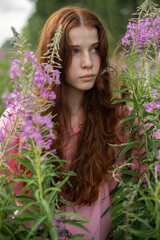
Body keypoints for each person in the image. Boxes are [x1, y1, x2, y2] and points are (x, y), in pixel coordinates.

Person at [0, 6, 129, 240]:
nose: (89, 62)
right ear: (55, 56)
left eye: (95, 49)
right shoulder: (19, 119)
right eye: (74, 51)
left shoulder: (118, 116)